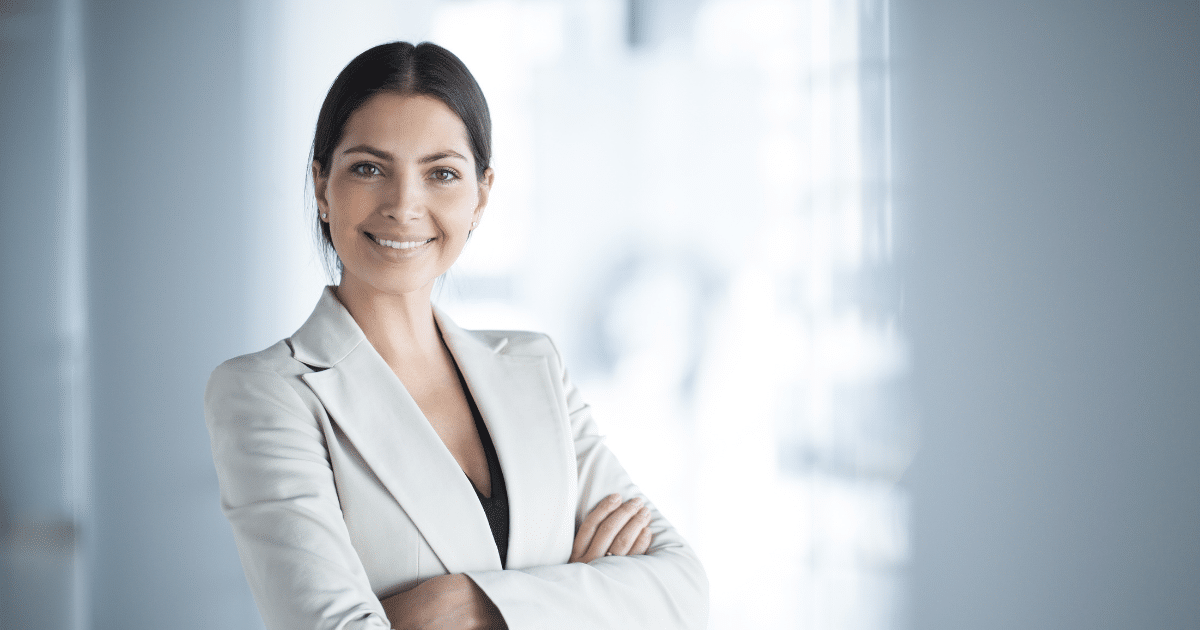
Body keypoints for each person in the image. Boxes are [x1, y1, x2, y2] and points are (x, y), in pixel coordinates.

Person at [204, 41, 708, 630]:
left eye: (441, 173)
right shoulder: (268, 394)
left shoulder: (534, 366)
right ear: (321, 187)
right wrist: (578, 594)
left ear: (481, 196)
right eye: (368, 168)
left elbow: (681, 590)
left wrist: (471, 606)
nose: (404, 205)